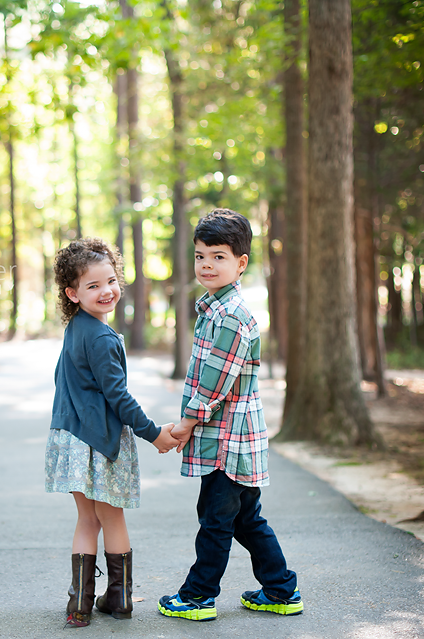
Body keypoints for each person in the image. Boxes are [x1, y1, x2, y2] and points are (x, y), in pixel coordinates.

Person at [157, 209, 303, 622]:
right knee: (245, 519)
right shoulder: (214, 309)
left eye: (218, 257)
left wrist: (185, 424)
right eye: (201, 256)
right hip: (228, 438)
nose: (206, 264)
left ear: (241, 263)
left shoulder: (233, 316)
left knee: (216, 520)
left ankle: (198, 596)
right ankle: (281, 589)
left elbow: (214, 385)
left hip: (228, 440)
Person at [45, 237, 179, 628]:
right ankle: (118, 599)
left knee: (88, 520)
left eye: (110, 281)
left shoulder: (77, 329)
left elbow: (64, 382)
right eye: (92, 286)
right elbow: (118, 397)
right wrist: (154, 434)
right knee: (113, 521)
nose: (106, 291)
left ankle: (79, 606)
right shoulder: (102, 337)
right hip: (98, 442)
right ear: (72, 293)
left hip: (70, 438)